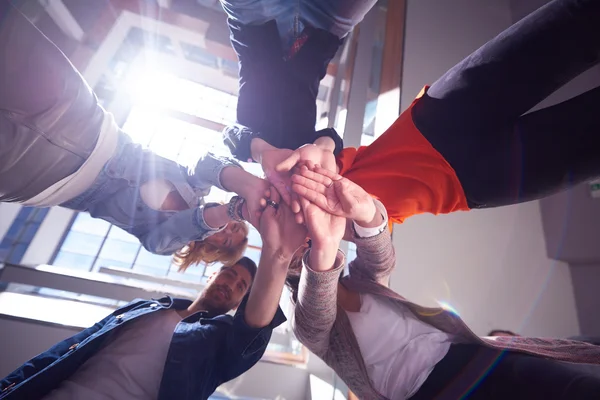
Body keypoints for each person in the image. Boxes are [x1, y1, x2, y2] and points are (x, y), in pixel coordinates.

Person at [250, 0, 600, 226]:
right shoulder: (324, 251)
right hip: (475, 182)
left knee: (576, 22)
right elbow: (376, 253)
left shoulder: (295, 176)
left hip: (440, 119)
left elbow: (324, 141)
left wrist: (320, 146)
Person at [287, 166, 600, 400]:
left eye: (304, 239)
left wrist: (366, 213)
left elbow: (380, 257)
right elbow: (318, 307)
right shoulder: (310, 328)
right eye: (292, 251)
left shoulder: (363, 282)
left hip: (468, 356)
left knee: (575, 388)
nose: (304, 244)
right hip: (431, 393)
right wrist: (322, 246)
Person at [0, 2, 269, 268]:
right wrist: (249, 183)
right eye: (239, 228)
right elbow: (205, 164)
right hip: (89, 125)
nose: (232, 230)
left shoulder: (169, 244)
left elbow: (165, 235)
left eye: (229, 241)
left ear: (214, 251)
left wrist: (229, 212)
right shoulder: (196, 185)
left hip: (52, 182)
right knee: (11, 38)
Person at [0, 188, 307, 400]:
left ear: (241, 302)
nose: (231, 284)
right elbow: (65, 351)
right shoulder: (145, 307)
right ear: (212, 273)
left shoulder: (219, 340)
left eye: (241, 287)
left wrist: (277, 256)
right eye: (229, 274)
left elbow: (252, 327)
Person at [219, 0, 377, 194]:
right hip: (324, 29)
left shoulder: (247, 148)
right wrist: (323, 150)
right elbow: (332, 137)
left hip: (253, 18)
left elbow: (231, 134)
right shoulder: (307, 153)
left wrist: (263, 153)